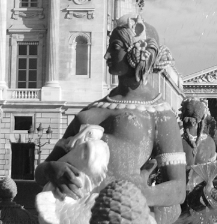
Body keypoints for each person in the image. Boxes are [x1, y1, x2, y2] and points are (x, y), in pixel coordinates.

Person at [35, 17, 185, 224]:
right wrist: (52, 169)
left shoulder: (160, 113)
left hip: (118, 215)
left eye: (114, 47)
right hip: (70, 213)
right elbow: (40, 172)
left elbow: (178, 188)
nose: (106, 55)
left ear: (136, 52)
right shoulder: (91, 109)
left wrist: (142, 194)